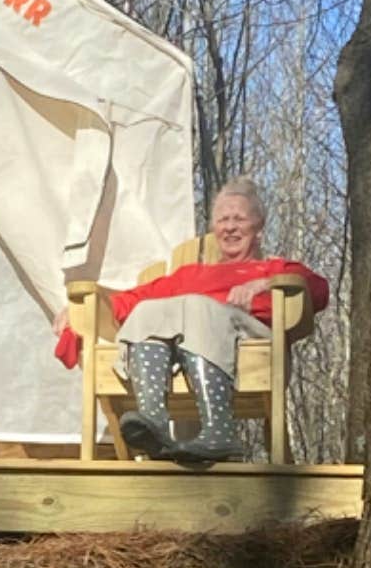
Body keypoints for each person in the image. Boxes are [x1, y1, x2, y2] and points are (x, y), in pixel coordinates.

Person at [52, 177, 329, 464]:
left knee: (198, 307)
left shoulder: (275, 269)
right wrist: (78, 311)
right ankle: (154, 423)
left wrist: (263, 285)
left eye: (239, 219)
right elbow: (131, 301)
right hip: (185, 343)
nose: (230, 227)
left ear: (258, 228)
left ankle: (219, 430)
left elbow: (317, 290)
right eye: (223, 220)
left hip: (249, 340)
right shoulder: (189, 276)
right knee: (148, 311)